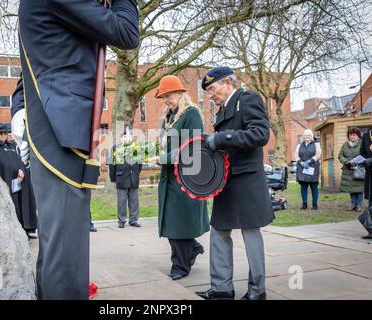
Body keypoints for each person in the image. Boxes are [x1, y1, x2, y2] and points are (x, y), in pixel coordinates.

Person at [11, 1, 139, 300]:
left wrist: (21, 112)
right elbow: (126, 31)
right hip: (61, 131)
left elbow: (39, 64)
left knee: (62, 245)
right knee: (66, 253)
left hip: (59, 128)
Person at [196, 66, 274, 300]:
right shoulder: (222, 110)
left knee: (251, 235)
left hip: (247, 179)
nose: (211, 94)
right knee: (218, 232)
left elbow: (261, 134)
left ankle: (257, 291)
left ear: (228, 83)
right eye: (208, 90)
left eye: (213, 88)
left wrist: (222, 138)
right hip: (226, 182)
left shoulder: (247, 100)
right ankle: (221, 288)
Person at [149, 75, 209, 281]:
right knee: (172, 223)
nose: (166, 99)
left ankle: (181, 265)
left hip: (185, 178)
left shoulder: (191, 114)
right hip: (170, 178)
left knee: (179, 225)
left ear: (181, 93)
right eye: (163, 96)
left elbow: (192, 149)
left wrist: (162, 158)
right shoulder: (170, 117)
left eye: (169, 95)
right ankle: (192, 249)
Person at [0, 123, 38, 239]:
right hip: (7, 181)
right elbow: (0, 165)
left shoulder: (12, 146)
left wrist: (21, 172)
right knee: (14, 203)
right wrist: (15, 171)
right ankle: (15, 231)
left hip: (20, 181)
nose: (3, 135)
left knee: (23, 203)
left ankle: (26, 228)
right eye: (0, 133)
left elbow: (19, 160)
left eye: (5, 133)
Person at [109, 130, 142, 229]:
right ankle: (121, 220)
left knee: (134, 201)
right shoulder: (115, 148)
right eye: (125, 137)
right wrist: (113, 177)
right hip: (121, 177)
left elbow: (139, 163)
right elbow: (111, 163)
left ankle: (133, 220)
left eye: (129, 137)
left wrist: (136, 174)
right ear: (121, 138)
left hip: (133, 178)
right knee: (122, 201)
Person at [295, 129, 321, 210]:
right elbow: (296, 155)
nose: (307, 137)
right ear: (303, 137)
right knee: (304, 186)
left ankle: (314, 204)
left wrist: (309, 161)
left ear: (312, 136)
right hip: (302, 168)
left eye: (309, 135)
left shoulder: (316, 144)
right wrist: (301, 162)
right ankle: (304, 204)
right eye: (305, 135)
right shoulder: (299, 145)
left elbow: (318, 154)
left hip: (313, 167)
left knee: (313, 186)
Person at [338, 128, 363, 212]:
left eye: (354, 135)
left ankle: (359, 205)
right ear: (348, 136)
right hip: (348, 169)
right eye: (351, 135)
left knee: (359, 188)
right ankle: (353, 204)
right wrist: (346, 161)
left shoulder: (362, 144)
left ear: (358, 136)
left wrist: (357, 162)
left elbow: (365, 155)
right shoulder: (345, 145)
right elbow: (340, 155)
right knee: (350, 188)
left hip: (358, 169)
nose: (352, 136)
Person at [360, 127, 372, 239]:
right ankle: (371, 230)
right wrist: (359, 160)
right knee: (371, 202)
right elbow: (363, 153)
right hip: (370, 173)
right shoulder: (366, 135)